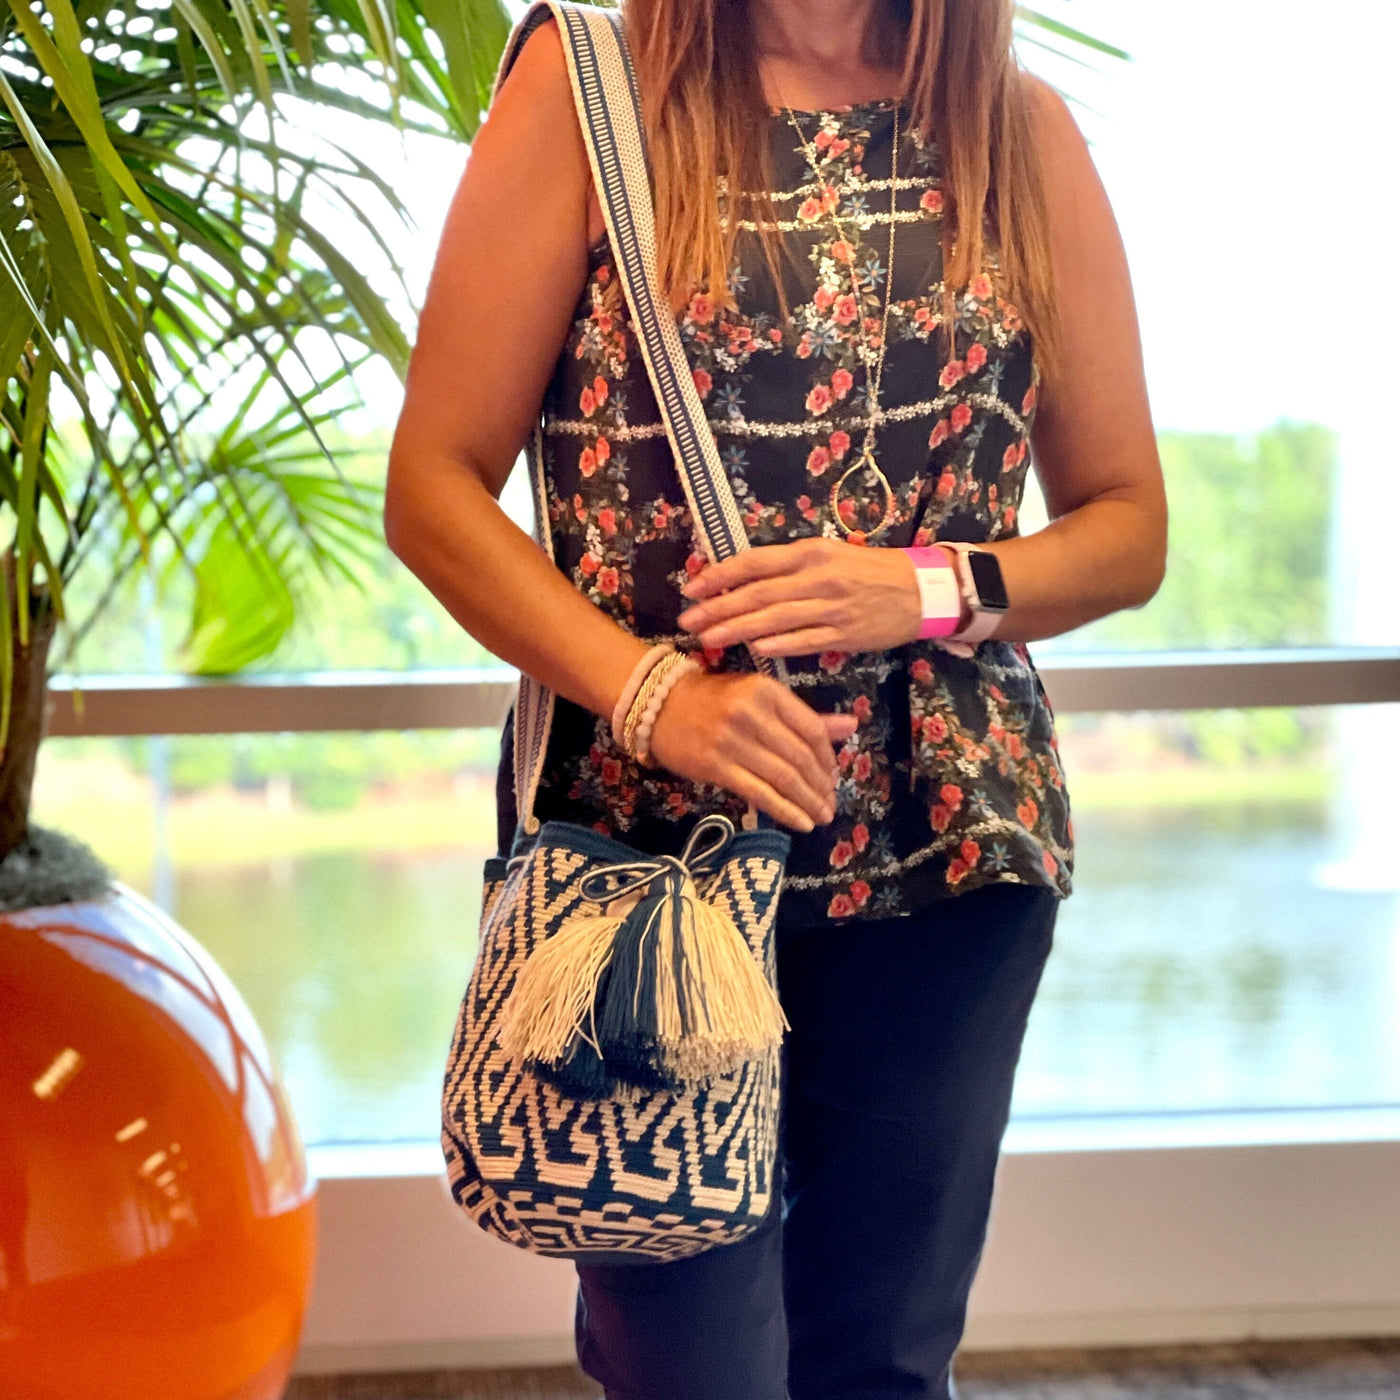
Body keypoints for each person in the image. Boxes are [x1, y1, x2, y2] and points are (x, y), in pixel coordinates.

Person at [386, 0, 1166, 1394]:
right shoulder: (594, 88)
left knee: (883, 1362)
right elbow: (433, 489)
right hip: (649, 858)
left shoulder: (1016, 130)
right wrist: (655, 697)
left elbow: (1126, 529)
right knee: (688, 1366)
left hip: (945, 849)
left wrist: (921, 588)